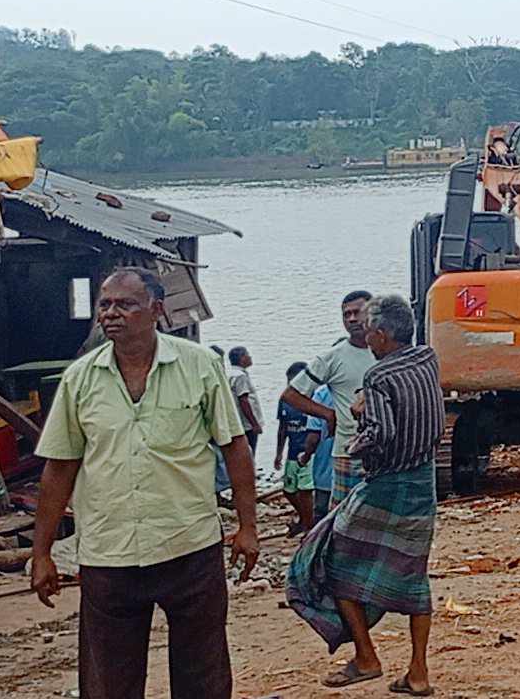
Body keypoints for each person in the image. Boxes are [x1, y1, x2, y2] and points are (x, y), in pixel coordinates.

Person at [30, 267, 258, 699]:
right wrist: (41, 554)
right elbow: (59, 469)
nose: (111, 313)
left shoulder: (199, 366)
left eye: (125, 304)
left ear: (157, 310)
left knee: (203, 675)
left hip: (188, 545)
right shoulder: (80, 378)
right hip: (108, 553)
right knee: (108, 682)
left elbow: (235, 447)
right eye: (105, 304)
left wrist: (248, 527)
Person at [286, 295, 442, 694]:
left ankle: (366, 656)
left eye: (370, 330)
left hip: (386, 483)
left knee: (333, 559)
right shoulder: (427, 358)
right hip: (424, 482)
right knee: (414, 573)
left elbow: (380, 435)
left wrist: (358, 418)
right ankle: (418, 671)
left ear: (382, 335)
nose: (365, 336)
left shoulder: (378, 377)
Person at [279, 291, 377, 510]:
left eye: (357, 312)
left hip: (387, 451)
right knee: (343, 515)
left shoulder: (387, 351)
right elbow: (291, 394)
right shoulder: (333, 357)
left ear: (373, 313)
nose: (352, 319)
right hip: (348, 452)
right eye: (346, 314)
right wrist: (327, 413)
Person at [274, 361, 324, 534]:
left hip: (309, 453)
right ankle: (304, 518)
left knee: (305, 490)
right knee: (289, 490)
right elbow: (282, 429)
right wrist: (279, 453)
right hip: (292, 451)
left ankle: (309, 527)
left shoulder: (314, 401)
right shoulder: (285, 401)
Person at [226, 346, 263, 458]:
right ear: (242, 358)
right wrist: (254, 424)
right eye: (247, 355)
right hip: (246, 425)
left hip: (237, 422)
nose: (250, 357)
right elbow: (243, 400)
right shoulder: (240, 376)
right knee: (249, 454)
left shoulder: (230, 373)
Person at [309, 379, 335, 520]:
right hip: (354, 469)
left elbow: (314, 435)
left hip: (325, 467)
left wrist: (306, 455)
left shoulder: (322, 394)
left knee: (321, 511)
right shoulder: (360, 391)